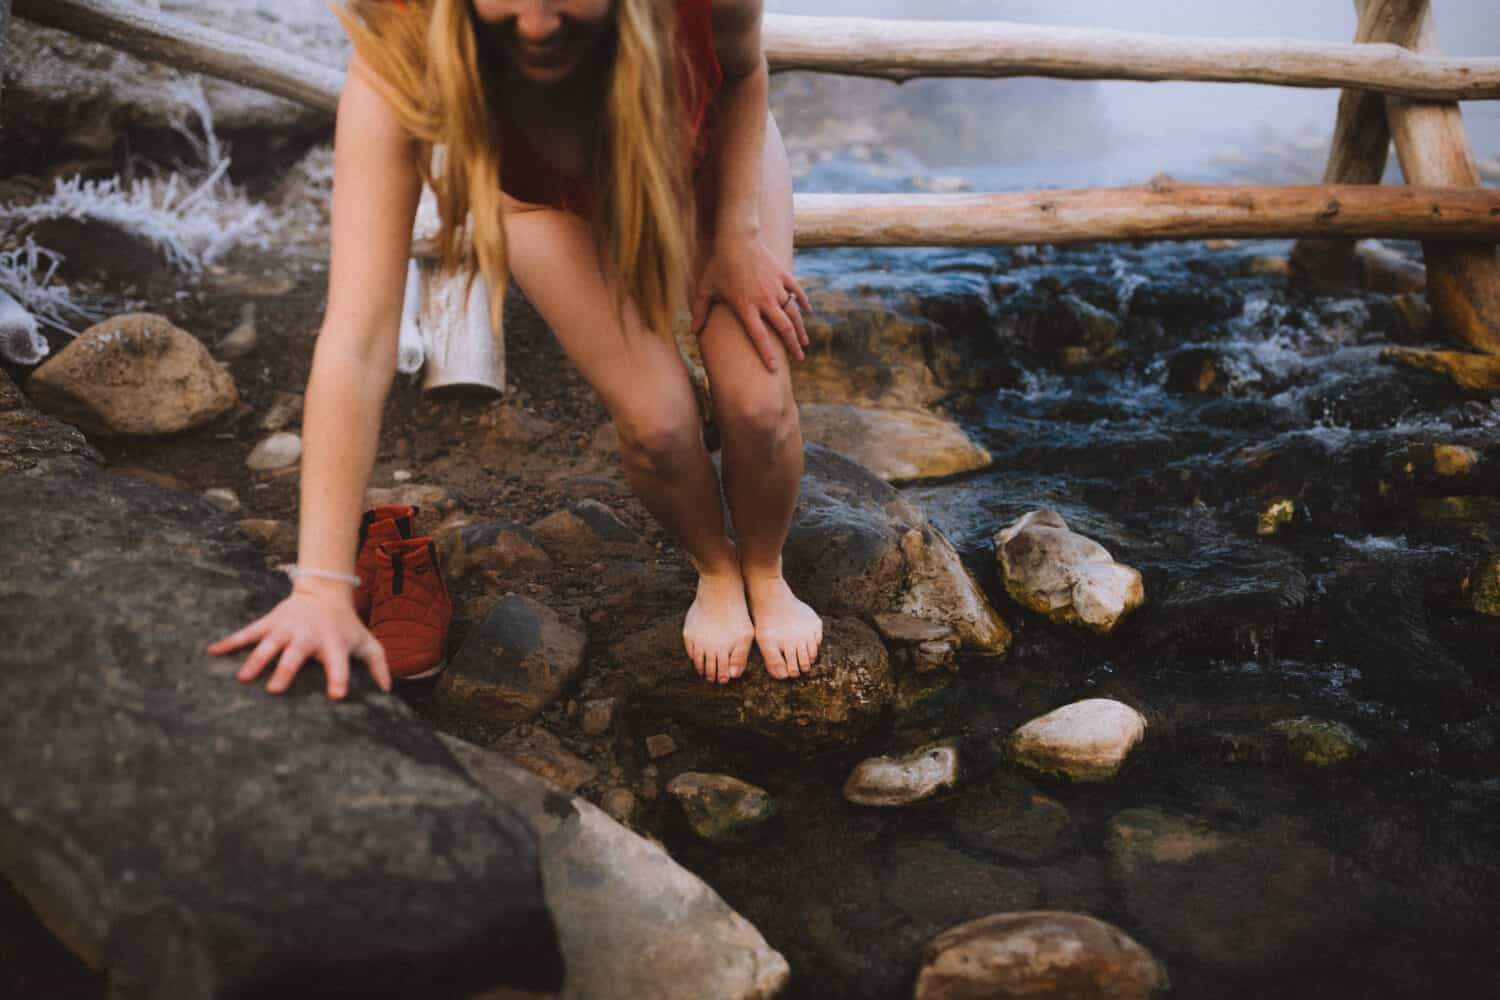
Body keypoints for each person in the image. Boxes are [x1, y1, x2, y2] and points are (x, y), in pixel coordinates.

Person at [207, 0, 823, 699]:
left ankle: (766, 572)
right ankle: (715, 568)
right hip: (539, 203)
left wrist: (737, 236)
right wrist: (321, 586)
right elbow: (359, 336)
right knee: (659, 426)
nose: (536, 25)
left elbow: (740, 72)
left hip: (703, 163)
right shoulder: (404, 36)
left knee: (758, 407)